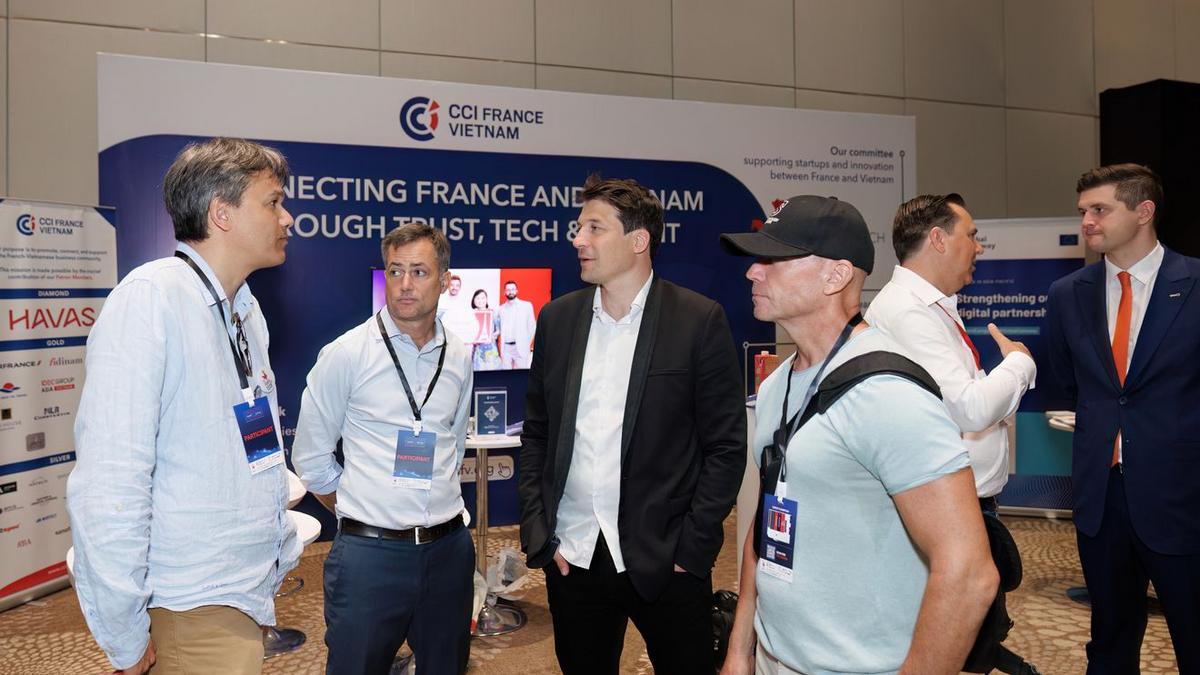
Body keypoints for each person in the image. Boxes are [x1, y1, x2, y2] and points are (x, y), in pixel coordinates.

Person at [719, 195, 997, 675]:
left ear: (836, 275)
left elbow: (969, 573)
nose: (752, 272)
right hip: (773, 658)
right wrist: (740, 650)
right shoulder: (777, 385)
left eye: (773, 259)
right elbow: (767, 521)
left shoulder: (889, 393)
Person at [67, 137, 300, 675]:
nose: (287, 218)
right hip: (188, 608)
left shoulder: (244, 311)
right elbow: (110, 485)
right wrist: (124, 634)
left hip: (237, 595)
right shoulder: (151, 300)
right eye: (272, 202)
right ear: (222, 213)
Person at [518, 176, 745, 674]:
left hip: (667, 559)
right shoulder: (557, 320)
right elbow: (537, 433)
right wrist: (539, 531)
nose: (577, 239)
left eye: (594, 228)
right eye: (579, 227)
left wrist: (693, 549)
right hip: (573, 555)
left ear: (638, 240)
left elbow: (726, 448)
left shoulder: (697, 320)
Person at [292, 223, 475, 675]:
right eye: (396, 271)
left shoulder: (458, 354)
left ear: (445, 280)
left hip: (448, 552)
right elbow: (311, 458)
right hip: (370, 558)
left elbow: (453, 443)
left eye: (419, 271)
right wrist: (360, 509)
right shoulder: (347, 354)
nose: (405, 284)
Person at [1045, 163, 1200, 673]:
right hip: (1101, 499)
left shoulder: (1196, 283)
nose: (1087, 221)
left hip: (1183, 497)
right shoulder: (1068, 294)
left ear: (1143, 211)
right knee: (1109, 642)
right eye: (1082, 211)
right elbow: (1070, 387)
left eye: (1100, 209)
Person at [865, 193, 1036, 513]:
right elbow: (970, 408)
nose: (979, 247)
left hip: (954, 501)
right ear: (938, 239)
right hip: (944, 507)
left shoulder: (929, 306)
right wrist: (1020, 363)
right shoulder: (907, 312)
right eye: (971, 236)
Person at [497, 280, 535, 369]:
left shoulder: (526, 306)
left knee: (521, 374)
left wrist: (526, 343)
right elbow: (499, 329)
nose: (511, 292)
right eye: (508, 290)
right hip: (506, 348)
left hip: (521, 347)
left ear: (517, 291)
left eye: (513, 289)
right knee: (505, 374)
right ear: (504, 292)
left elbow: (532, 327)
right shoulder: (500, 309)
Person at [469, 288, 502, 370]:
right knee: (478, 372)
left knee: (492, 373)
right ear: (474, 300)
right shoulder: (470, 314)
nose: (480, 300)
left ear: (486, 300)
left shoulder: (493, 313)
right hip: (477, 349)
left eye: (483, 298)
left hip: (491, 348)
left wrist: (492, 336)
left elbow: (498, 330)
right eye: (478, 298)